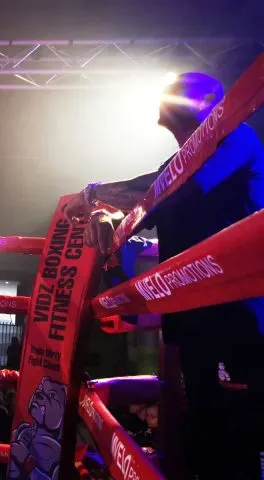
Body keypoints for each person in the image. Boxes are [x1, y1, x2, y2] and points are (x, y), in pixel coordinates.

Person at [64, 72, 264, 479]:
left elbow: (171, 188)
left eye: (179, 88)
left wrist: (94, 194)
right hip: (192, 320)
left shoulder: (236, 137)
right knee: (204, 439)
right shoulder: (179, 162)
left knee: (243, 440)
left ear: (209, 103)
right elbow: (148, 198)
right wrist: (106, 213)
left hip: (239, 317)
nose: (166, 93)